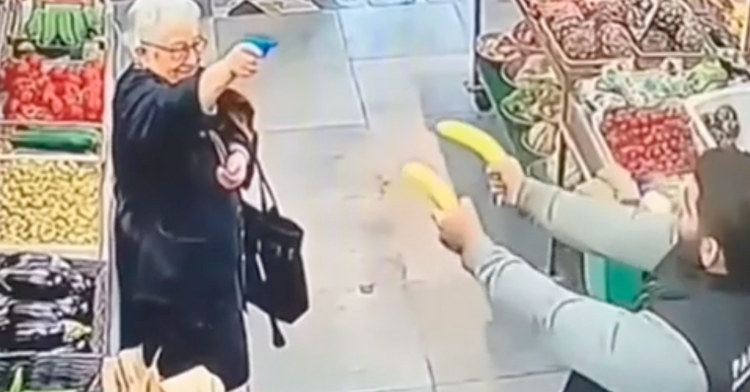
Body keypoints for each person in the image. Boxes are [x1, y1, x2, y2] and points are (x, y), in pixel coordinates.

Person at [431, 146, 750, 392]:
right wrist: (526, 192)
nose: (676, 211)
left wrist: (477, 252)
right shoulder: (729, 257)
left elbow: (556, 315)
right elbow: (619, 230)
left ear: (711, 251)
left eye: (687, 208)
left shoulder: (678, 354)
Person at [112, 0, 260, 389]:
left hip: (215, 267)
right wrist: (222, 70)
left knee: (223, 370)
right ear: (141, 52)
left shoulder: (194, 79)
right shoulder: (137, 97)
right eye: (177, 50)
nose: (190, 59)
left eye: (197, 45)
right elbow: (175, 108)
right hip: (166, 281)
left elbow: (234, 117)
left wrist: (239, 155)